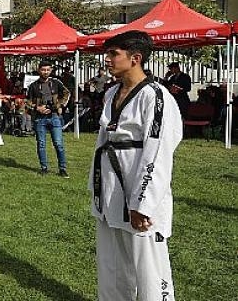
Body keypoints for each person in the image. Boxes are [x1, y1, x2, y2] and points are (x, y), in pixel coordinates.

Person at [89, 30, 180, 300]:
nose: (107, 59)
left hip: (139, 192)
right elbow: (102, 142)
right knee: (112, 266)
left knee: (150, 269)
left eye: (113, 54)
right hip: (111, 190)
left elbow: (159, 152)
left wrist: (143, 204)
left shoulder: (155, 97)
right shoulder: (112, 93)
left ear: (135, 58)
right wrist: (98, 193)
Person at [26, 60, 71, 177]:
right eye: (43, 69)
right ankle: (44, 167)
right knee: (41, 143)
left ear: (51, 70)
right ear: (39, 70)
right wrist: (37, 107)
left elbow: (67, 93)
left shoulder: (56, 83)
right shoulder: (33, 86)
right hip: (39, 118)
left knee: (58, 143)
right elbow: (27, 102)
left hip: (54, 116)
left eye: (48, 70)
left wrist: (59, 105)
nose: (45, 72)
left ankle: (62, 168)